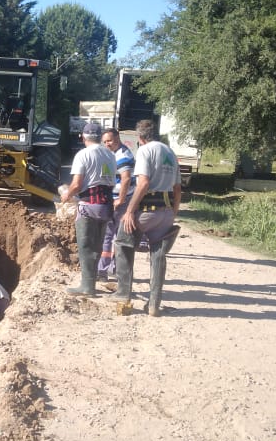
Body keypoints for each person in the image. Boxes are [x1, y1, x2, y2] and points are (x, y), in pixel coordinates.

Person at [112, 119, 183, 317]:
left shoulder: (145, 151)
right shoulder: (170, 152)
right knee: (158, 255)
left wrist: (129, 211)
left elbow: (143, 183)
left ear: (139, 137)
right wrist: (173, 212)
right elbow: (178, 189)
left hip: (147, 210)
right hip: (166, 211)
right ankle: (154, 305)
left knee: (123, 243)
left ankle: (123, 293)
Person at [58, 122, 116, 297]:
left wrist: (66, 195)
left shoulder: (83, 154)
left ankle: (87, 287)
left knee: (85, 246)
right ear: (100, 137)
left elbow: (76, 184)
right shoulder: (110, 154)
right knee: (97, 245)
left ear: (83, 137)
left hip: (89, 205)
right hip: (106, 205)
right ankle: (91, 283)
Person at [98, 127, 135, 281]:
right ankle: (106, 269)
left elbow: (126, 178)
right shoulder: (110, 153)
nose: (107, 144)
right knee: (108, 235)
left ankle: (109, 269)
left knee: (115, 235)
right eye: (105, 141)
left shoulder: (124, 154)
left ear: (117, 138)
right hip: (110, 198)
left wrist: (120, 199)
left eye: (110, 141)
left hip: (121, 200)